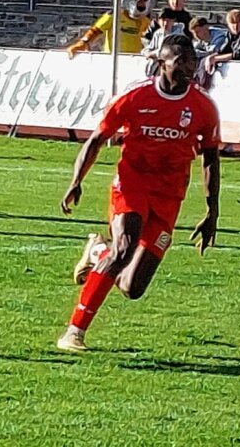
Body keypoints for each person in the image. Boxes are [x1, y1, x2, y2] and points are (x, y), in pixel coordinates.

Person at [56, 34, 221, 352]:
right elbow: (96, 139)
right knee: (124, 247)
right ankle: (74, 332)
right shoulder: (134, 96)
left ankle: (96, 253)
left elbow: (211, 159)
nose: (189, 68)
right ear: (162, 63)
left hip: (169, 196)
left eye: (193, 62)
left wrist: (212, 211)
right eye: (181, 62)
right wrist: (76, 181)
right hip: (131, 185)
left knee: (132, 288)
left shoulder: (203, 107)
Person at [142, 8, 176, 77]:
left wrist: (154, 53)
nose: (165, 23)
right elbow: (149, 48)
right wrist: (146, 53)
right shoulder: (158, 33)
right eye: (163, 20)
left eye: (168, 21)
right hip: (157, 67)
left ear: (173, 21)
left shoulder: (178, 35)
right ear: (158, 21)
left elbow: (170, 52)